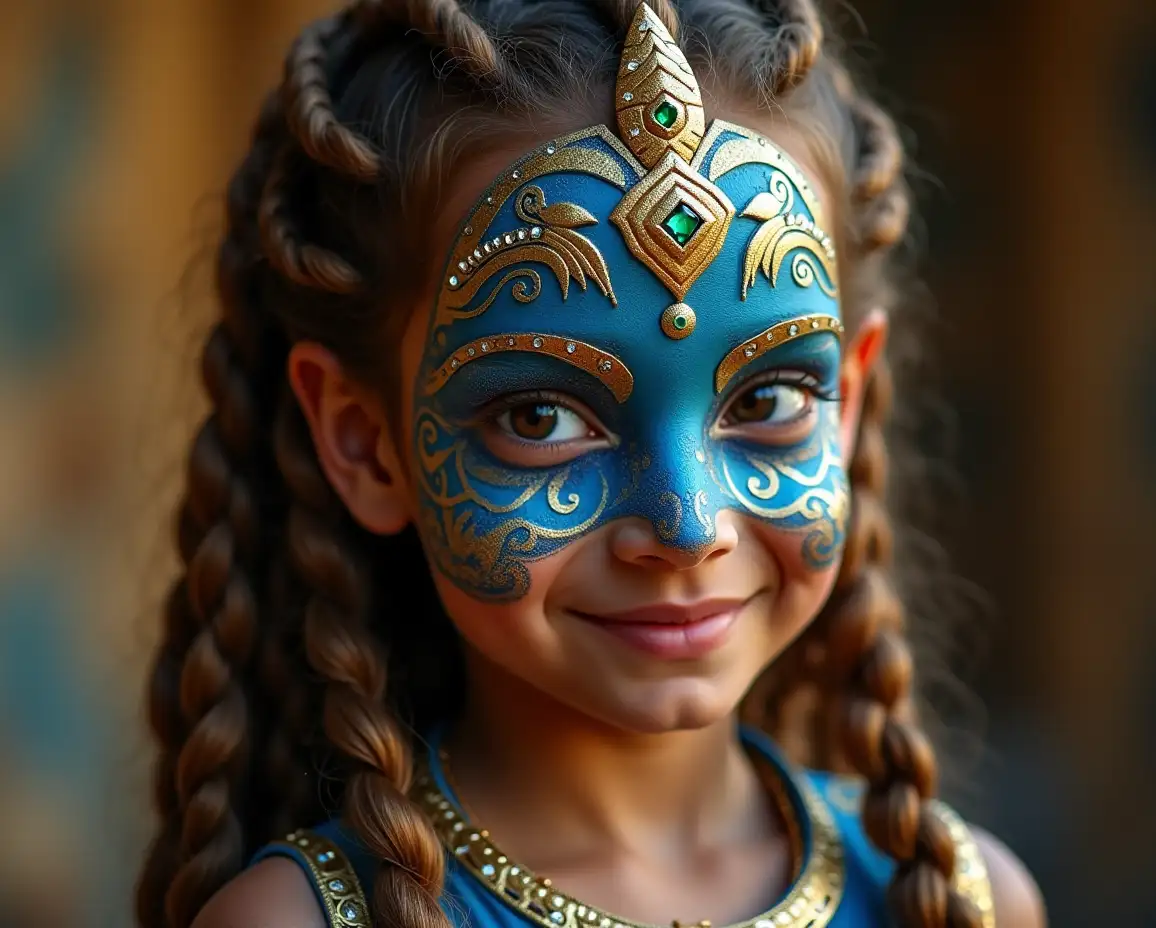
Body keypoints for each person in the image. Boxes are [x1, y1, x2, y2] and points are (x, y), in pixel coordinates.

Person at [136, 2, 1046, 927]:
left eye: (767, 401)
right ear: (365, 441)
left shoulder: (963, 903)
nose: (688, 529)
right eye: (540, 416)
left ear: (845, 402)